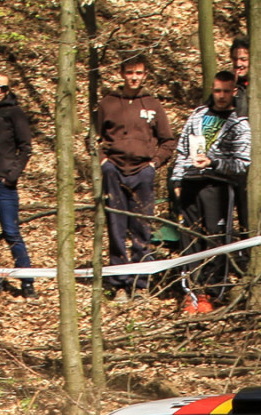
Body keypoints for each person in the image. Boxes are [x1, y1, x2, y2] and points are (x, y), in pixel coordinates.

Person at [95, 56, 175, 301]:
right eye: (129, 72)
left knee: (142, 227)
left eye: (138, 73)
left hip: (142, 172)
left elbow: (168, 141)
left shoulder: (152, 104)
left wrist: (153, 164)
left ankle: (141, 284)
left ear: (145, 75)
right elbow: (93, 138)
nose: (134, 77)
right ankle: (119, 284)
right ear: (122, 73)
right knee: (116, 227)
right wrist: (104, 162)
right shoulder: (108, 103)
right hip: (114, 171)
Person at [171, 71, 250, 315]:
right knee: (189, 238)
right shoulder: (197, 116)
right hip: (190, 183)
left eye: (226, 91)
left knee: (216, 238)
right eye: (217, 91)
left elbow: (242, 163)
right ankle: (192, 292)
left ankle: (213, 291)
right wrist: (176, 179)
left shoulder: (240, 123)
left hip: (218, 186)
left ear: (234, 91)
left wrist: (214, 163)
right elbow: (182, 151)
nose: (221, 96)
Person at [0, 72, 35, 298]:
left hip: (4, 184)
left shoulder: (15, 112)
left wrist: (12, 176)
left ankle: (27, 281)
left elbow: (25, 147)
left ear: (8, 90)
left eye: (2, 88)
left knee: (11, 232)